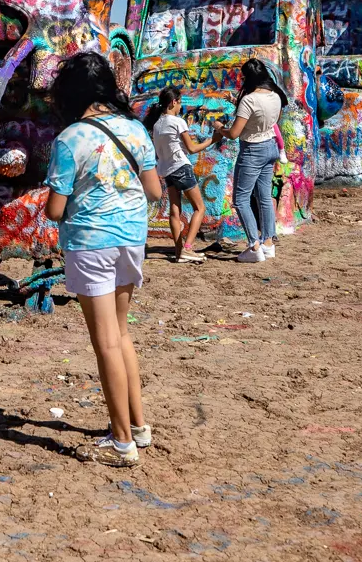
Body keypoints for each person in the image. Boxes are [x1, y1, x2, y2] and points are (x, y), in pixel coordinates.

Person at [43, 51, 163, 467]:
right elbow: (155, 191)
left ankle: (121, 441)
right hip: (133, 238)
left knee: (105, 343)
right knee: (123, 336)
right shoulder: (135, 129)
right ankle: (139, 427)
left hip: (91, 243)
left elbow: (56, 210)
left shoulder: (70, 139)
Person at [214, 59, 288, 264]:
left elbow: (234, 133)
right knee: (264, 197)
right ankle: (268, 243)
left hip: (252, 150)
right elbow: (272, 122)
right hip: (270, 146)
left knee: (241, 199)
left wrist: (220, 127)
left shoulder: (249, 100)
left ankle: (254, 245)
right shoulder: (275, 96)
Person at [145, 88, 222, 264]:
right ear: (174, 102)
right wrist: (213, 140)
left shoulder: (157, 125)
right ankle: (187, 248)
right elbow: (192, 149)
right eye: (180, 103)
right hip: (181, 167)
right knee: (200, 208)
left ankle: (179, 250)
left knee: (174, 210)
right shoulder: (177, 122)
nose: (181, 107)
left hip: (166, 170)